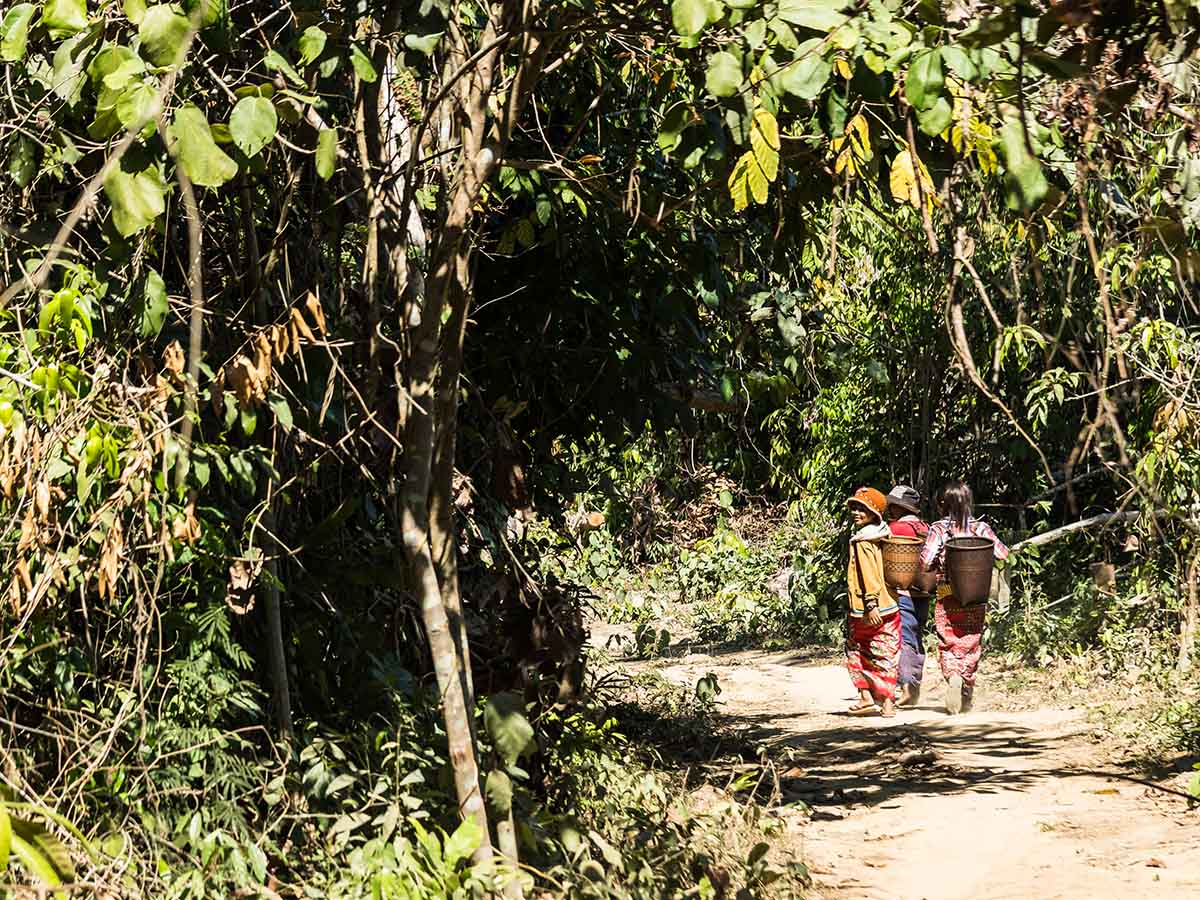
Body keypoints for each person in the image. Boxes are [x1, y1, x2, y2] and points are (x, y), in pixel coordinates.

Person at [918, 481, 1009, 714]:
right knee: (971, 635)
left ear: (942, 505)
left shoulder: (939, 529)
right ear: (969, 503)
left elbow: (926, 561)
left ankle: (953, 675)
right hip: (976, 591)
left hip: (946, 587)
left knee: (946, 632)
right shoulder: (981, 528)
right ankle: (966, 685)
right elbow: (1003, 554)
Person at [844, 487, 901, 718]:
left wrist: (870, 603)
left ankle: (866, 697)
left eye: (862, 509)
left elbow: (868, 573)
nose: (856, 512)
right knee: (886, 652)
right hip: (891, 603)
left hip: (868, 608)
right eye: (855, 508)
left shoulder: (862, 540)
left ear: (874, 513)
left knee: (856, 649)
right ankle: (887, 703)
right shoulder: (882, 533)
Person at [885, 485, 930, 708]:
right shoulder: (925, 527)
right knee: (917, 635)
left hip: (902, 591)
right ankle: (915, 684)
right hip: (924, 590)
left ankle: (908, 687)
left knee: (905, 637)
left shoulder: (895, 529)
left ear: (898, 507)